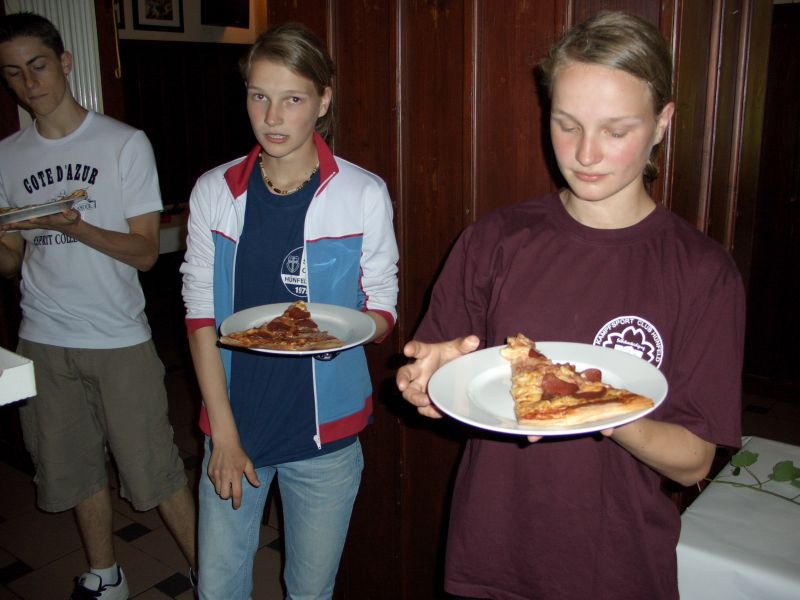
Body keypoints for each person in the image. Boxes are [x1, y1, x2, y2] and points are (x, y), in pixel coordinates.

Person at [396, 11, 744, 600]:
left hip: (617, 567)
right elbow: (439, 379)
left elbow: (692, 462)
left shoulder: (704, 273)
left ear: (662, 123)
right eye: (566, 124)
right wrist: (426, 381)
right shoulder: (494, 240)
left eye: (616, 130)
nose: (585, 153)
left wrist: (594, 404)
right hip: (491, 556)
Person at [180, 22, 399, 599]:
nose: (272, 117)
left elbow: (382, 306)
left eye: (293, 99)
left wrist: (338, 328)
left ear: (323, 100)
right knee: (218, 589)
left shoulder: (362, 193)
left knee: (310, 593)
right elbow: (200, 315)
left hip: (325, 438)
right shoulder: (215, 191)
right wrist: (223, 433)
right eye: (259, 96)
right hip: (236, 425)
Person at [0, 12, 197, 600]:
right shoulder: (6, 156)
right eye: (13, 73)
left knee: (153, 467)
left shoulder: (123, 144)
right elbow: (11, 262)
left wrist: (77, 227)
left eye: (38, 65)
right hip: (42, 336)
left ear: (64, 62)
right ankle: (105, 575)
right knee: (71, 464)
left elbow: (145, 253)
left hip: (118, 338)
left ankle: (212, 573)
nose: (29, 82)